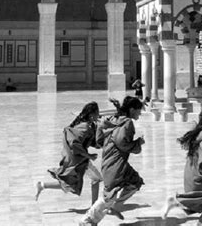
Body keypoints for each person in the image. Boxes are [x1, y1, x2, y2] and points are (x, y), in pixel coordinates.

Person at [79, 96, 145, 225]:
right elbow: (122, 143)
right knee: (109, 195)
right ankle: (87, 220)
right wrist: (138, 143)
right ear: (132, 110)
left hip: (111, 162)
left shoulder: (113, 120)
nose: (140, 113)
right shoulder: (127, 123)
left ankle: (112, 207)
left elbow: (100, 141)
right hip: (116, 164)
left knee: (135, 182)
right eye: (139, 110)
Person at [35, 101, 101, 204]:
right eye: (97, 113)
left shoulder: (90, 125)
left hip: (81, 159)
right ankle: (95, 207)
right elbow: (74, 143)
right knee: (95, 179)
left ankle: (42, 185)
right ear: (92, 115)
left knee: (70, 184)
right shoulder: (84, 127)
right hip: (79, 159)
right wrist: (88, 155)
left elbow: (90, 141)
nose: (99, 115)